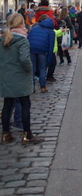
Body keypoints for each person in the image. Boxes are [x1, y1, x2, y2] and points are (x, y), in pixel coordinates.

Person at [0, 14, 45, 145]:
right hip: (20, 77)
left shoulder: (4, 39)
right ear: (21, 24)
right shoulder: (22, 40)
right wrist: (29, 70)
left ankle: (5, 134)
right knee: (25, 104)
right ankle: (27, 134)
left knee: (7, 105)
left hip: (7, 77)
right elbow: (25, 59)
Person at [27, 15, 55, 93]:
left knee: (32, 68)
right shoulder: (51, 32)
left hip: (31, 49)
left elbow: (29, 38)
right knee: (42, 68)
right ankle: (43, 86)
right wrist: (49, 60)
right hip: (42, 50)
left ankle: (32, 87)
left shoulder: (35, 28)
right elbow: (50, 46)